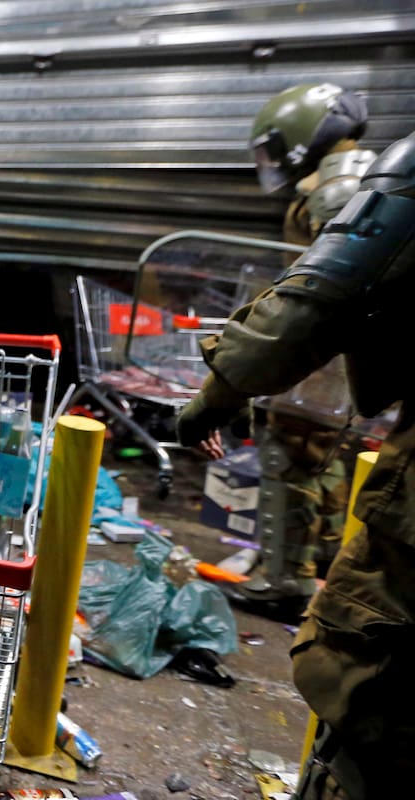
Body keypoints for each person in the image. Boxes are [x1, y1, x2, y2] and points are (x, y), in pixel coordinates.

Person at [175, 131, 415, 798]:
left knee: (373, 696)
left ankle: (287, 577)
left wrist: (222, 389)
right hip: (333, 397)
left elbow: (317, 297)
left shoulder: (360, 185)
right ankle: (294, 573)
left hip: (316, 390)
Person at [225, 83, 374, 611]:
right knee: (325, 462)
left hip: (321, 357)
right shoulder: (363, 180)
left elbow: (322, 288)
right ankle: (313, 570)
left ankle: (286, 584)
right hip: (343, 360)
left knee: (287, 457)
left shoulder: (336, 191)